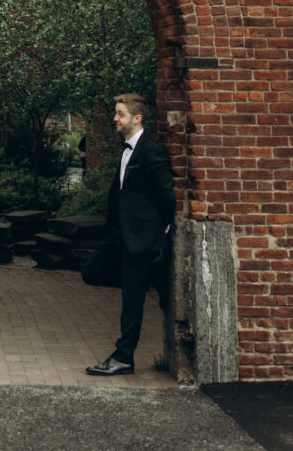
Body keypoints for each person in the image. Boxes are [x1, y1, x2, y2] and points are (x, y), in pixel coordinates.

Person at [82, 93, 175, 376]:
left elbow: (166, 196)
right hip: (120, 235)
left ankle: (123, 357)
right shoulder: (126, 150)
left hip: (141, 239)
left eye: (120, 114)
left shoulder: (151, 150)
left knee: (131, 302)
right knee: (91, 272)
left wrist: (162, 230)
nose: (115, 118)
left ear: (137, 118)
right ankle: (153, 277)